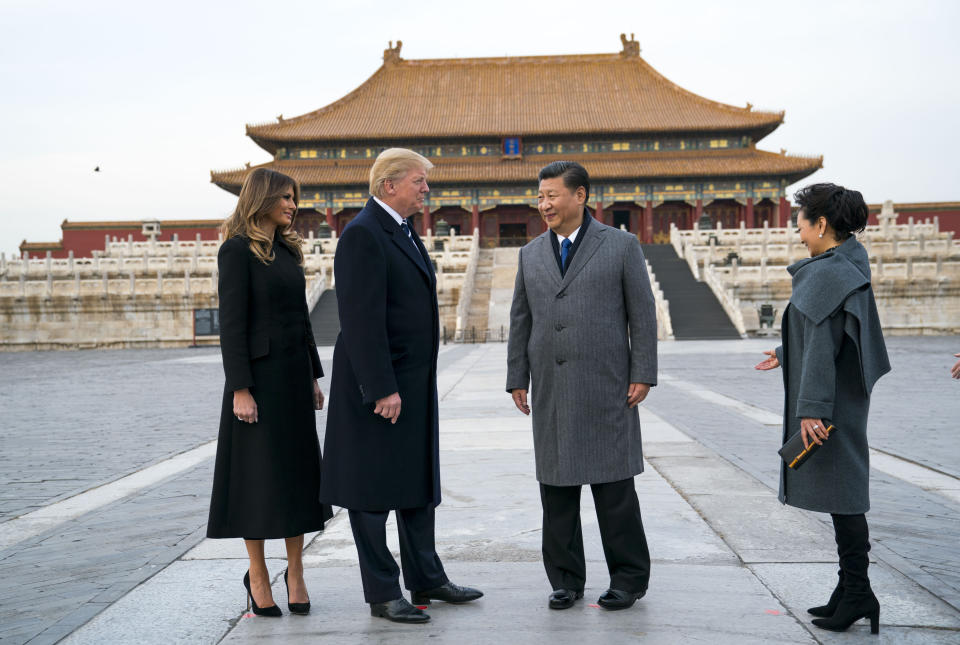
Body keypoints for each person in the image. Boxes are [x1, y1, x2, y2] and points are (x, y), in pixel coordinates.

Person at [320, 148, 482, 624]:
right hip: (380, 387)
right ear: (389, 184)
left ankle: (427, 577)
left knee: (416, 483)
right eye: (419, 181)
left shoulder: (404, 231)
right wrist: (381, 387)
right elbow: (360, 318)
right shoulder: (363, 234)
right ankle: (383, 591)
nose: (426, 189)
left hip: (410, 382)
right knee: (371, 492)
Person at [506, 161, 658, 611]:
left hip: (607, 385)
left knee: (614, 491)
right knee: (556, 492)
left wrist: (643, 372)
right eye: (540, 197)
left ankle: (629, 579)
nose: (545, 205)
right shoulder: (530, 253)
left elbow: (643, 314)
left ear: (581, 195)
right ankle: (566, 579)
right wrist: (517, 376)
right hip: (551, 385)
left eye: (552, 195)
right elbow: (521, 319)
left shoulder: (621, 245)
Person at [755, 182, 890, 634]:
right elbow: (820, 337)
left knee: (846, 496)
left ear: (821, 224)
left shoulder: (825, 272)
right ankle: (849, 587)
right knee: (843, 492)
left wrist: (811, 408)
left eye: (801, 221)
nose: (797, 231)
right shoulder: (849, 262)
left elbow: (820, 345)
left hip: (828, 401)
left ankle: (858, 592)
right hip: (844, 395)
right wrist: (785, 349)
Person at [207, 168, 333, 617]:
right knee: (258, 481)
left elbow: (301, 320)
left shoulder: (288, 251)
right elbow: (232, 326)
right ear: (261, 199)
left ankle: (295, 571)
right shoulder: (236, 251)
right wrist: (240, 388)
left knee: (298, 477)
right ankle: (257, 574)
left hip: (294, 379)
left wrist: (314, 377)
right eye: (285, 198)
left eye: (295, 199)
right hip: (256, 384)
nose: (293, 206)